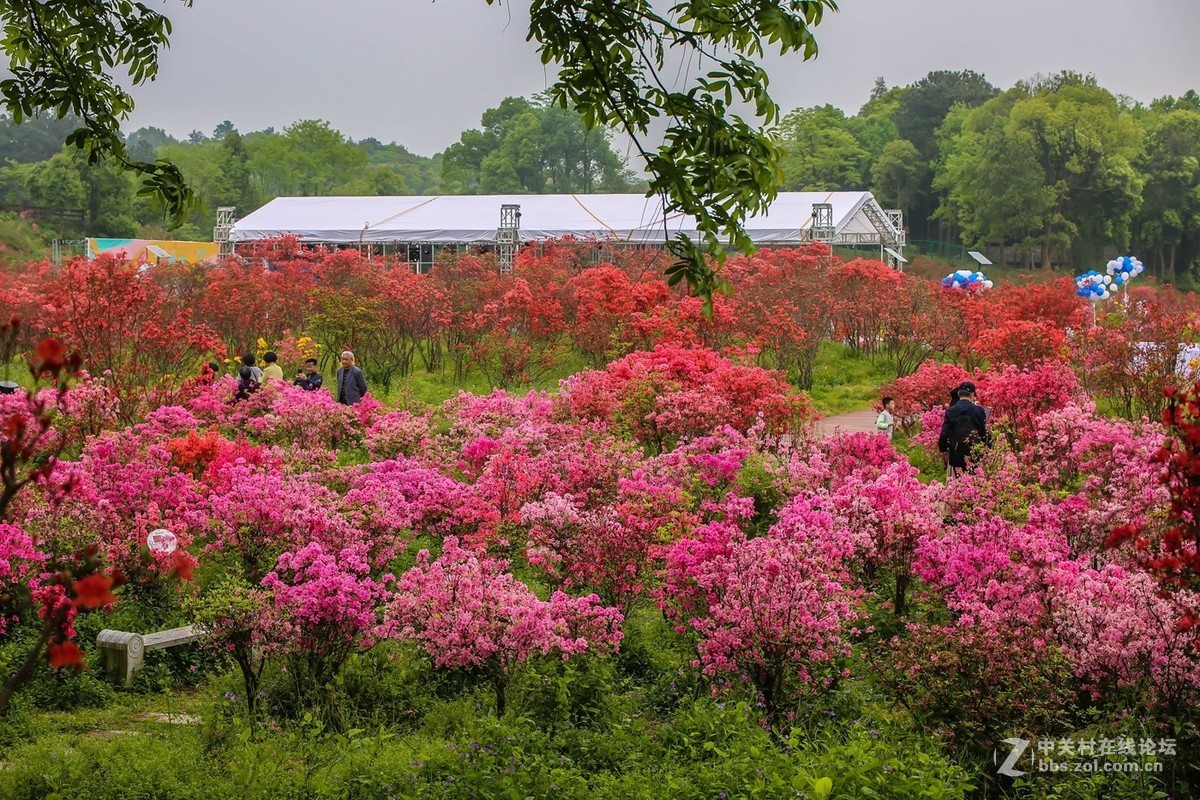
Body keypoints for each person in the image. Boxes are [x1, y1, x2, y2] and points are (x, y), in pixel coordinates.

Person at [938, 382, 989, 478]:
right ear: (972, 395)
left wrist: (943, 449)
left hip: (956, 453)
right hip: (974, 453)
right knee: (975, 481)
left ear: (958, 394)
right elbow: (984, 432)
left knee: (959, 482)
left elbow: (944, 433)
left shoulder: (950, 411)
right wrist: (986, 449)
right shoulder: (979, 410)